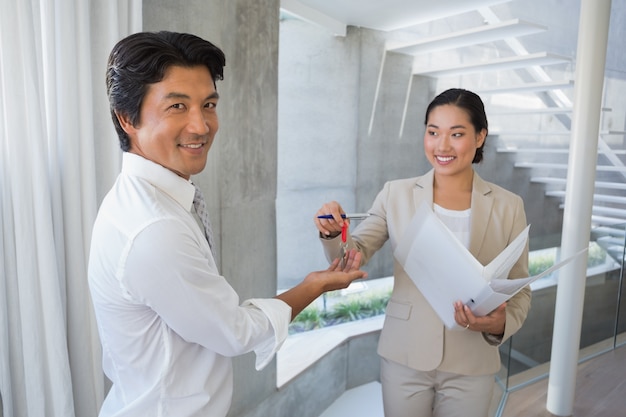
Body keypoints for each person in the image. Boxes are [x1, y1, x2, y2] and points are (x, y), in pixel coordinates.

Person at [88, 31, 367, 417]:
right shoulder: (154, 229)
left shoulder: (145, 200)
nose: (201, 126)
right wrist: (313, 285)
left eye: (209, 104)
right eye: (177, 107)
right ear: (126, 118)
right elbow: (236, 332)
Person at [313, 88, 531, 417]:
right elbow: (350, 256)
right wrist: (332, 232)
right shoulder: (396, 194)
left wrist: (501, 324)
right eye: (433, 132)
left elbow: (521, 289)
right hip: (405, 356)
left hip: (472, 361)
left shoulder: (509, 206)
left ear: (480, 136)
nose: (442, 146)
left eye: (456, 134)